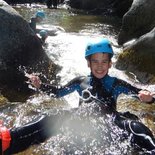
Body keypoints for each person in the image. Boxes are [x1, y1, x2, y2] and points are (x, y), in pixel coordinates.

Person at [1, 38, 155, 154]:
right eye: (95, 62)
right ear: (88, 63)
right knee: (49, 118)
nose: (99, 66)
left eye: (104, 62)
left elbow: (139, 94)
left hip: (111, 119)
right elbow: (58, 92)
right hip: (81, 116)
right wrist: (40, 85)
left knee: (136, 127)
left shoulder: (117, 84)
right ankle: (8, 139)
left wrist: (148, 99)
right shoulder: (80, 82)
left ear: (110, 64)